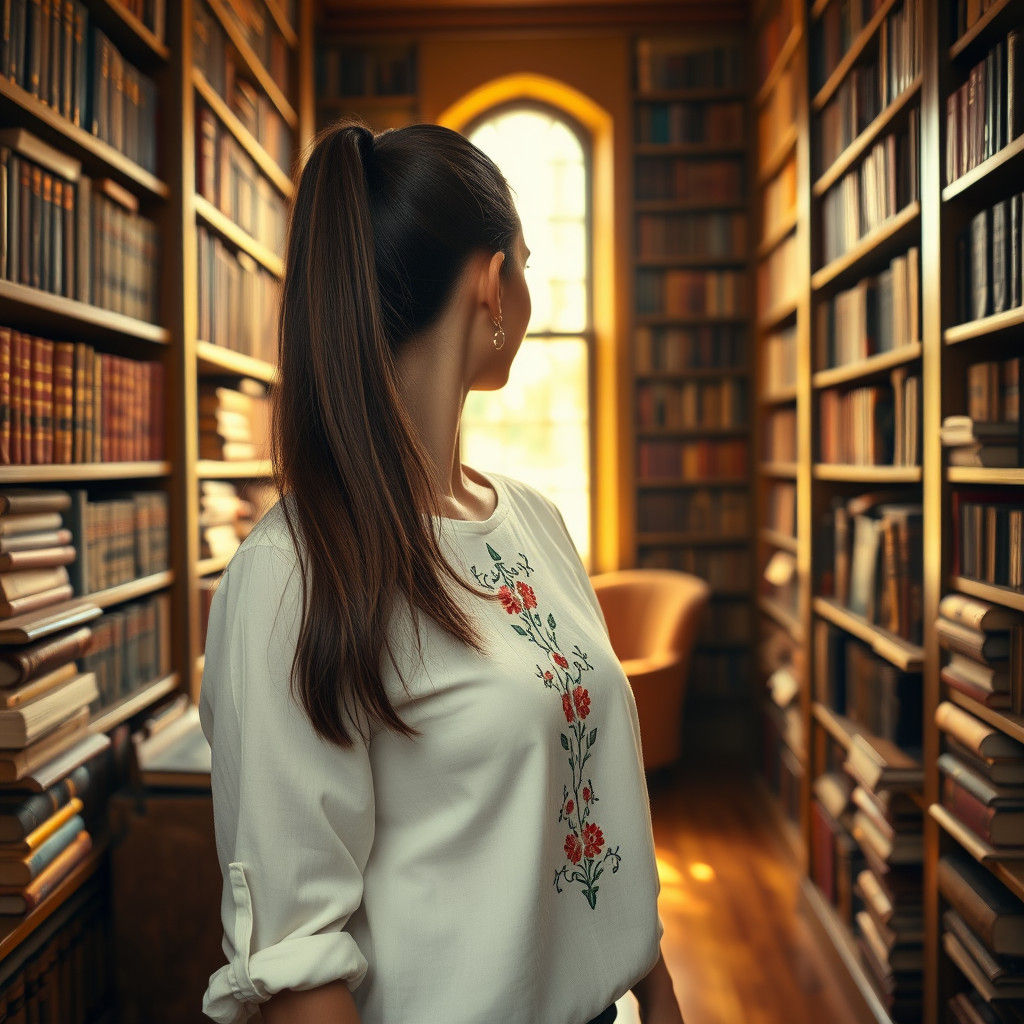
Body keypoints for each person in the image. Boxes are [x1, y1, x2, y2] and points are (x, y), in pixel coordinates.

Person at [198, 121, 684, 1024]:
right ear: (493, 283)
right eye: (528, 264)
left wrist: (654, 989)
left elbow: (604, 798)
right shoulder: (295, 576)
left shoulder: (535, 519)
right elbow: (299, 970)